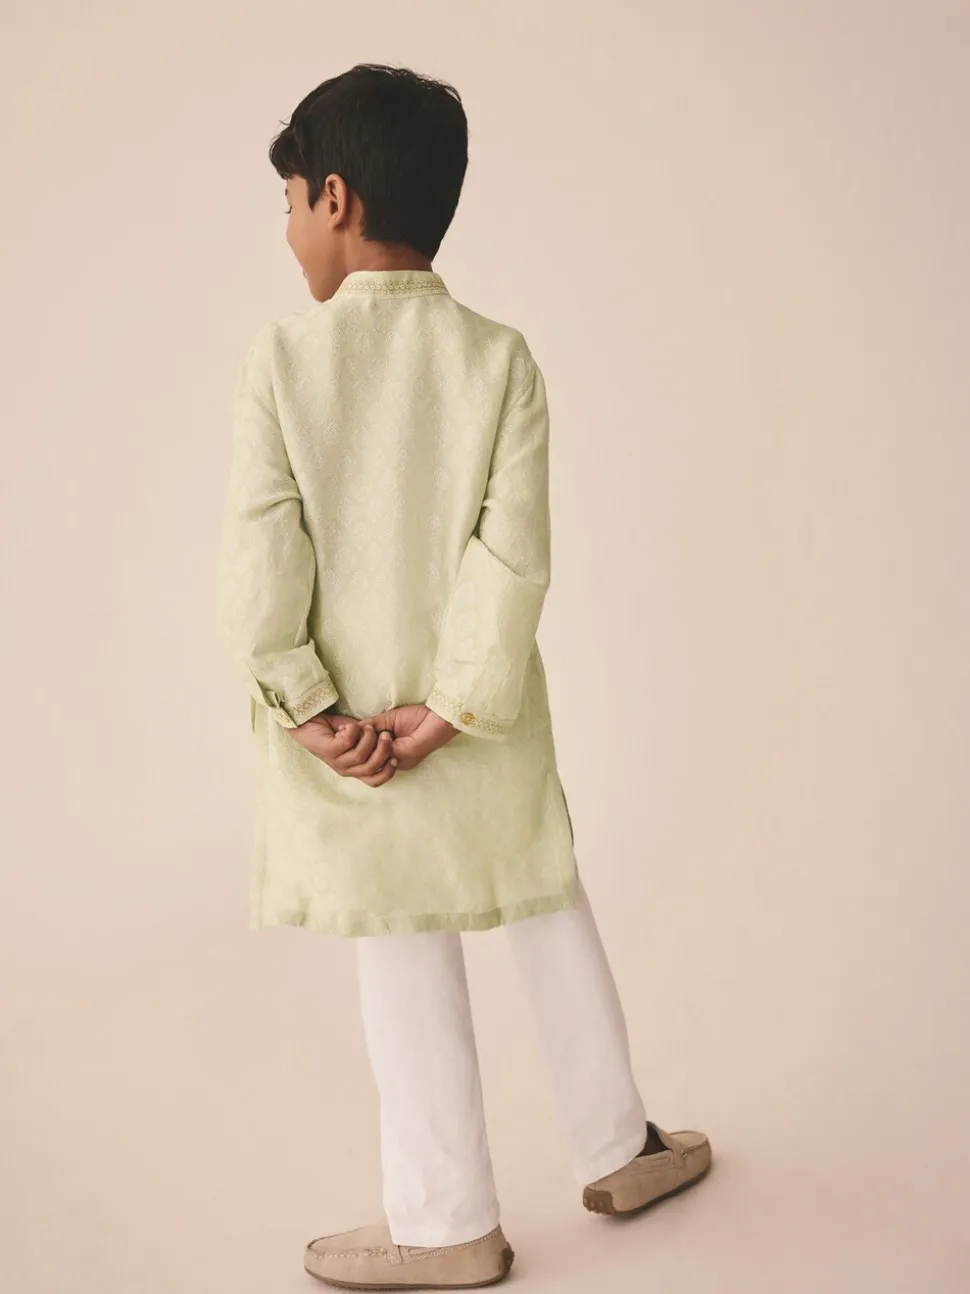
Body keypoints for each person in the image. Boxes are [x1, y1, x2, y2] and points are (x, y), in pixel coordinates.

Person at [215, 62, 711, 1292]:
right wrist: (448, 711)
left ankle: (445, 1221)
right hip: (473, 724)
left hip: (352, 741)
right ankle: (620, 1146)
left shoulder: (283, 361)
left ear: (336, 198)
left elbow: (263, 555)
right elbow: (512, 554)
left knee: (401, 938)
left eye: (289, 202)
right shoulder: (500, 359)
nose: (288, 227)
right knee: (541, 890)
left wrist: (311, 709)